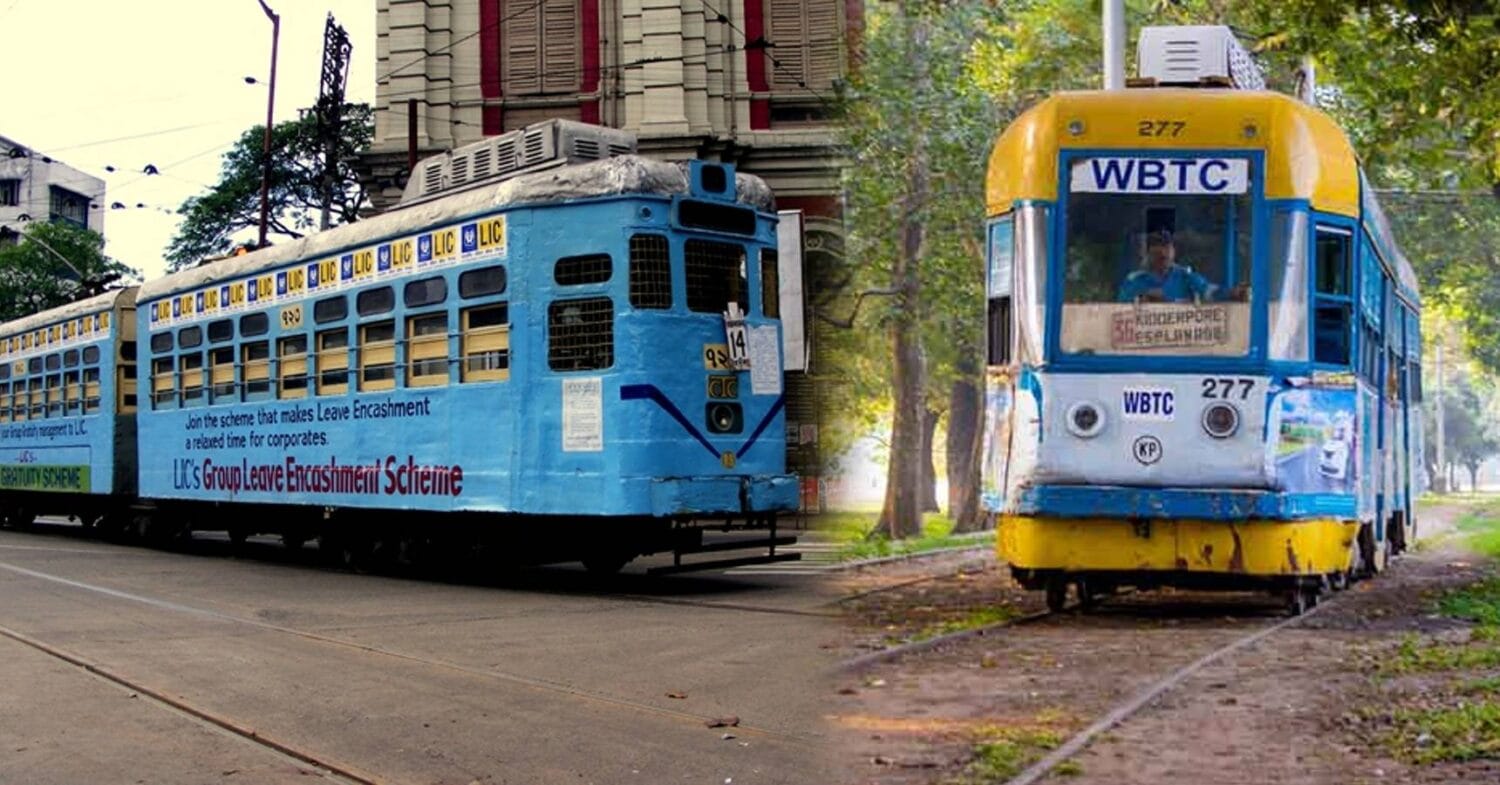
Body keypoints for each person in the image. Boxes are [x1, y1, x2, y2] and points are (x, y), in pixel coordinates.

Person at [1117, 230, 1248, 303]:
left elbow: (1208, 292)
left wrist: (1232, 293)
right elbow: (1119, 308)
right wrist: (1143, 298)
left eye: (1167, 247)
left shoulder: (1185, 276)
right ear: (1147, 253)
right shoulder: (1134, 280)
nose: (1163, 253)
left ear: (1174, 251)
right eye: (1157, 250)